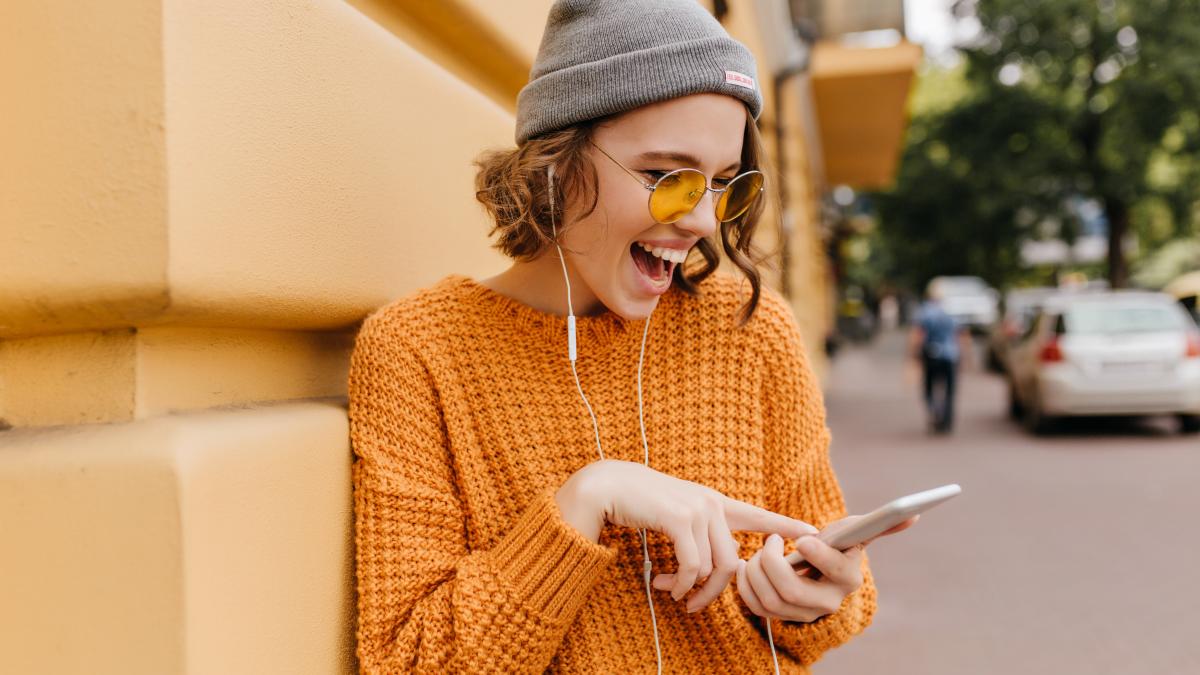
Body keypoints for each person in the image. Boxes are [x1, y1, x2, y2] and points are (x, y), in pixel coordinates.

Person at [348, 1, 915, 672]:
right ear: (558, 157)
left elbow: (834, 599)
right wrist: (584, 501)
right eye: (666, 177)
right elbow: (408, 662)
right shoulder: (418, 351)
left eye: (725, 184)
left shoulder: (753, 332)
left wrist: (815, 594)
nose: (703, 220)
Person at [909, 280, 973, 433]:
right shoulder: (953, 311)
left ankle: (935, 411)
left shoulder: (925, 311)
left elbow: (919, 334)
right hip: (950, 355)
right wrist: (966, 356)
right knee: (950, 390)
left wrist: (913, 354)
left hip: (931, 354)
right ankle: (947, 420)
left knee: (929, 387)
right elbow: (962, 335)